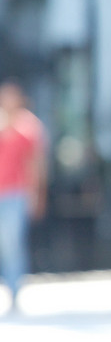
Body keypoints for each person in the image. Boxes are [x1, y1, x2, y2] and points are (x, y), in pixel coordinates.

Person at [0, 81, 47, 310]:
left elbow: (35, 164)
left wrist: (36, 194)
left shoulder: (28, 126)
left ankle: (14, 290)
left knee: (12, 244)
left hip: (16, 194)